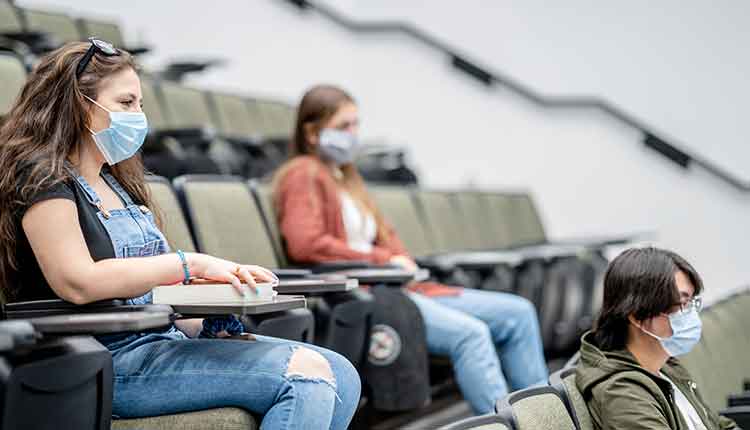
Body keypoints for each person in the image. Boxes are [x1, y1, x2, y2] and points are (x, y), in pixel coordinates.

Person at [0, 40, 360, 430]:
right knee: (305, 377)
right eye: (125, 103)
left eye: (140, 104)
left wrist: (209, 313)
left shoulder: (118, 183)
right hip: (99, 361)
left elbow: (147, 297)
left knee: (342, 374)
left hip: (159, 342)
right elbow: (77, 282)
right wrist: (190, 264)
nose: (138, 116)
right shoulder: (42, 178)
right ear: (81, 106)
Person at [273, 84, 548, 414]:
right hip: (369, 293)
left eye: (356, 124)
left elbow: (387, 236)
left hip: (400, 285)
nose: (353, 134)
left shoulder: (346, 178)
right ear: (313, 133)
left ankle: (542, 419)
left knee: (518, 314)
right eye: (343, 126)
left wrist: (397, 260)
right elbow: (306, 243)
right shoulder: (302, 174)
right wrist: (384, 260)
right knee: (471, 336)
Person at [576, 247, 738, 430]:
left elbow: (718, 425)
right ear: (637, 316)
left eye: (693, 302)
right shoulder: (623, 394)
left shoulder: (666, 367)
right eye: (683, 304)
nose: (692, 314)